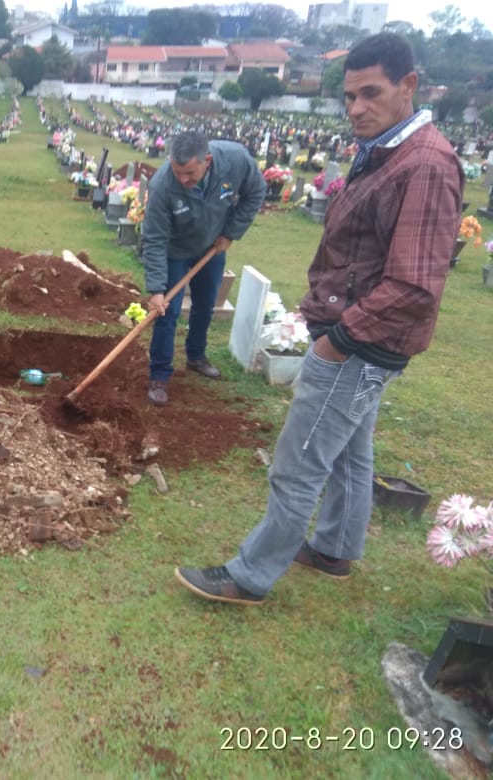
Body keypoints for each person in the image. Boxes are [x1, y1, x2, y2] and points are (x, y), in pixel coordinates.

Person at [174, 32, 464, 606]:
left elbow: (413, 286)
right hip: (358, 335)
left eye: (371, 93)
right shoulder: (388, 149)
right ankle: (334, 548)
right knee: (351, 451)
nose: (356, 107)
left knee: (299, 460)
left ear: (409, 86)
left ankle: (251, 575)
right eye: (349, 96)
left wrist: (338, 341)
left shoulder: (425, 164)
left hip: (360, 342)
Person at [138, 131, 266, 406]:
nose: (182, 180)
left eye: (189, 173)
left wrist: (230, 233)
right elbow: (155, 239)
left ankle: (196, 356)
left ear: (207, 160)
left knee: (205, 305)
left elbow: (256, 192)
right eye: (177, 171)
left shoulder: (236, 161)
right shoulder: (162, 186)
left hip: (211, 247)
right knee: (166, 313)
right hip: (175, 251)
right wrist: (157, 289)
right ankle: (159, 375)